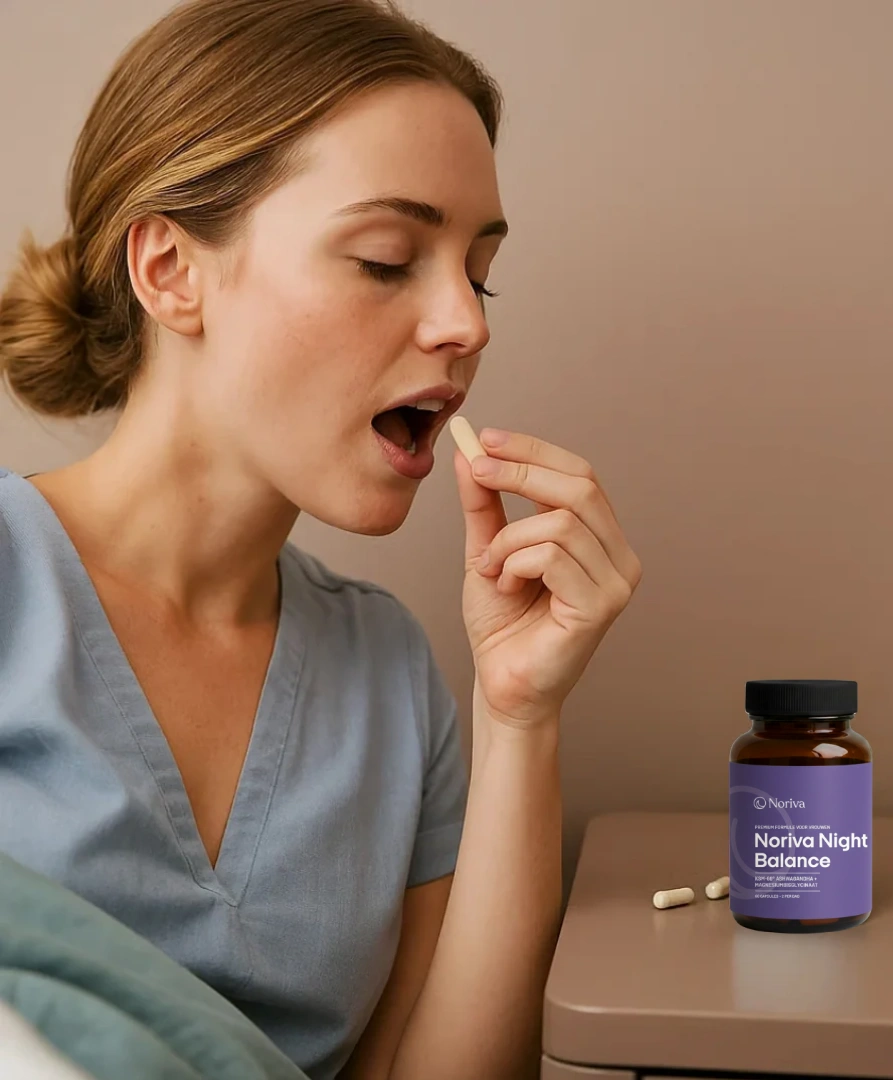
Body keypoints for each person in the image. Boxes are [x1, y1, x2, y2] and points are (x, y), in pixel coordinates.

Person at [0, 1, 642, 1078]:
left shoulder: (389, 675)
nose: (467, 324)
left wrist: (519, 717)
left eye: (478, 271)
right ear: (170, 271)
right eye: (388, 259)